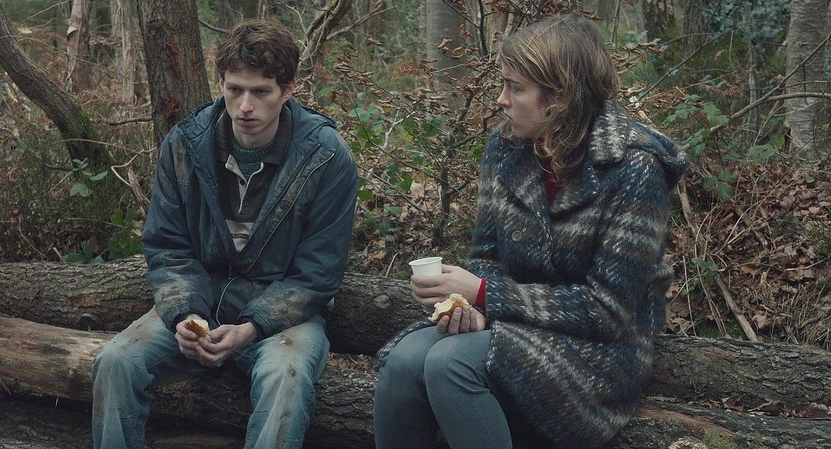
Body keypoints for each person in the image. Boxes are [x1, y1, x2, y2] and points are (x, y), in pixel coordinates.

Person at [373, 13, 688, 449]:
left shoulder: (634, 167)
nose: (501, 100)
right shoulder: (507, 147)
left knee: (450, 364)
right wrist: (472, 308)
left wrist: (487, 295)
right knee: (405, 360)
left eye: (515, 88)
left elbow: (607, 312)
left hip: (599, 352)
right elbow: (487, 257)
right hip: (514, 327)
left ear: (560, 98)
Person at [91, 19, 358, 449]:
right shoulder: (185, 143)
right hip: (202, 297)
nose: (245, 106)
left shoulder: (325, 156)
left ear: (288, 90)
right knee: (116, 361)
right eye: (235, 90)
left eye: (261, 92)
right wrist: (184, 316)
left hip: (283, 312)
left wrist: (251, 327)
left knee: (285, 376)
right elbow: (168, 246)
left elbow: (318, 273)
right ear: (221, 85)